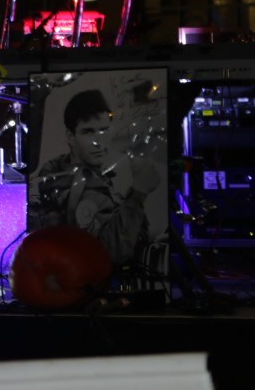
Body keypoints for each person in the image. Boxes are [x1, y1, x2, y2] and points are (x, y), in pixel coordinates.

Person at [28, 88, 160, 267]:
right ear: (71, 136)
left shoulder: (62, 169)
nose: (98, 142)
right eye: (88, 132)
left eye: (104, 130)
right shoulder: (78, 186)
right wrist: (139, 192)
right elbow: (107, 254)